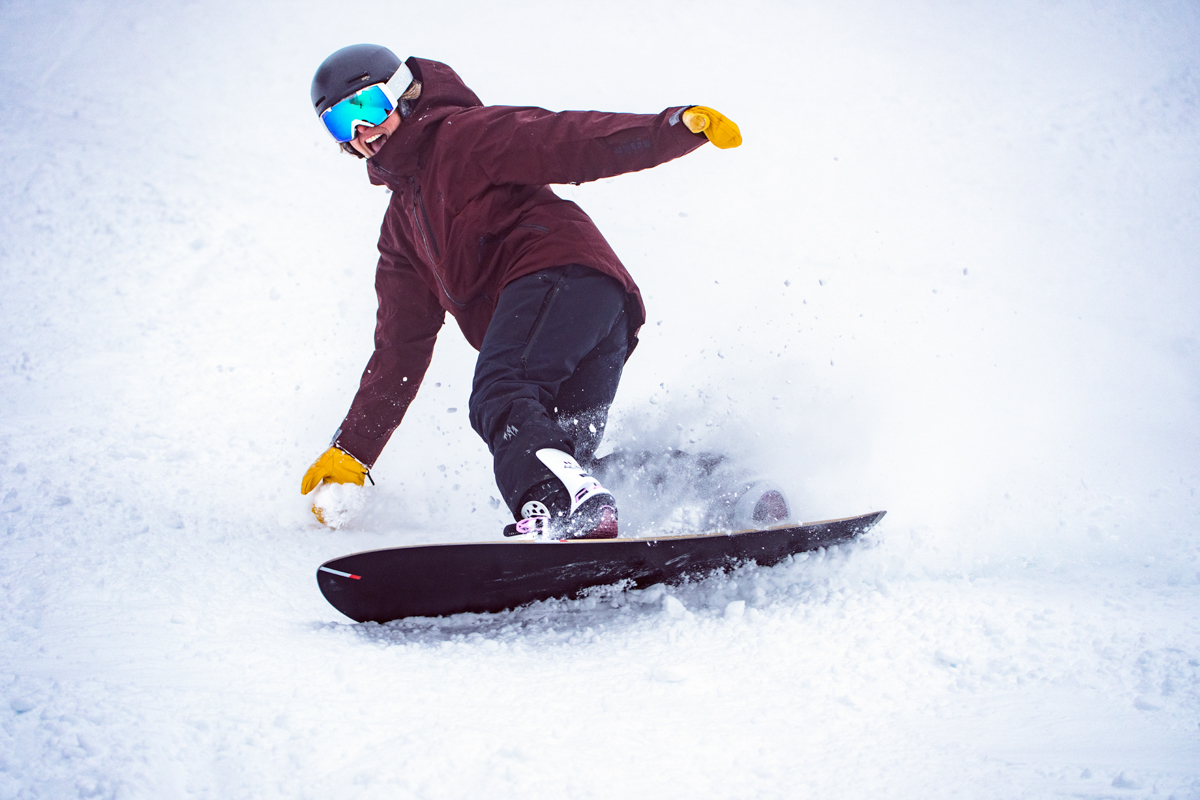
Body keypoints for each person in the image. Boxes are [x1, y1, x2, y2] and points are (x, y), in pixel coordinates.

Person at [300, 44, 742, 539]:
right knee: (558, 452)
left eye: (366, 107)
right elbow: (399, 350)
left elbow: (569, 139)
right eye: (341, 123)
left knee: (501, 394)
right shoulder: (401, 231)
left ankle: (563, 510)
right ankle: (727, 486)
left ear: (402, 94)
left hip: (560, 277)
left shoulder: (464, 137)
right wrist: (352, 449)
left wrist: (673, 128)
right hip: (594, 315)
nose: (361, 131)